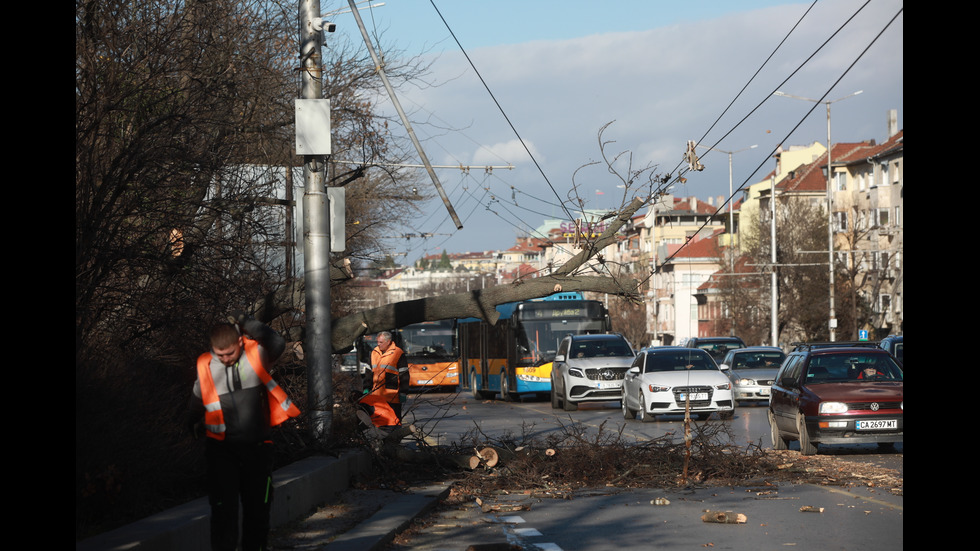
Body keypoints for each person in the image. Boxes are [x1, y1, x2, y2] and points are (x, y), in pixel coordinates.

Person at [187, 312, 300, 551]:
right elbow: (197, 400)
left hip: (258, 449)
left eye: (230, 353)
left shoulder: (255, 355)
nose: (226, 359)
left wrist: (245, 321)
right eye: (220, 355)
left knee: (257, 512)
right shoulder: (206, 365)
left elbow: (277, 342)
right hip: (221, 451)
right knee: (223, 512)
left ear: (239, 342)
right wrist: (190, 423)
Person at [363, 331, 409, 422]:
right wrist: (366, 387)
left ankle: (395, 436)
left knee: (394, 422)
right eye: (377, 342)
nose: (378, 344)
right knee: (378, 422)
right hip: (377, 397)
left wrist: (403, 392)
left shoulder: (398, 353)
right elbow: (369, 372)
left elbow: (404, 374)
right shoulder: (374, 353)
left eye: (381, 342)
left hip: (392, 397)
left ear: (388, 342)